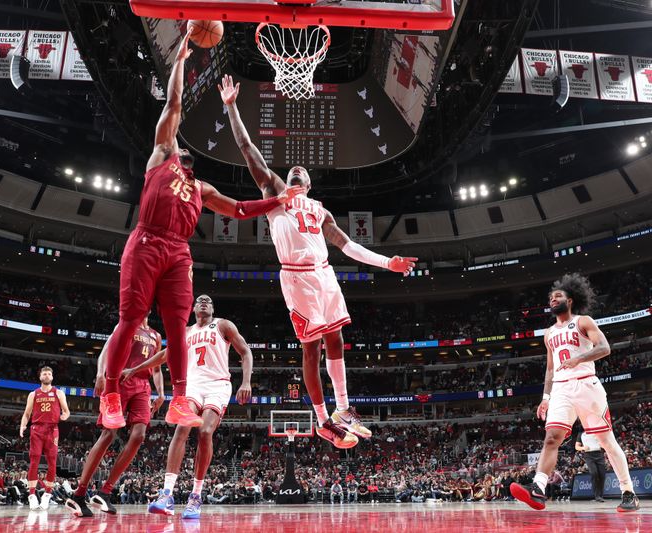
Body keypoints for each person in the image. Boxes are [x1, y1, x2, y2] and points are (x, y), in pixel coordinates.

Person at [97, 30, 302, 433]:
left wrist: (277, 200)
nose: (187, 150)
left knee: (177, 326)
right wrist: (179, 61)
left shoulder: (202, 189)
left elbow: (241, 208)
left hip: (178, 252)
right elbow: (174, 102)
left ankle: (178, 399)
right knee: (133, 316)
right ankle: (110, 394)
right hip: (147, 239)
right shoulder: (162, 155)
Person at [218, 74, 417, 448]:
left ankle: (343, 409)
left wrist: (386, 262)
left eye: (302, 172)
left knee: (337, 337)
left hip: (325, 275)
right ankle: (323, 419)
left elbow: (348, 246)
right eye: (291, 170)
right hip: (297, 278)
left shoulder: (321, 210)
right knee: (311, 347)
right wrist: (231, 106)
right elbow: (247, 149)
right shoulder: (275, 193)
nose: (296, 171)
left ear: (309, 183)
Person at [510, 273, 640, 512]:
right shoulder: (549, 333)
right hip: (561, 388)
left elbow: (604, 348)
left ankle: (628, 491)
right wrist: (545, 398)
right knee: (552, 438)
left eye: (557, 296)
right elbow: (550, 369)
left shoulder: (584, 321)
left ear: (570, 300)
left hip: (587, 385)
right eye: (550, 297)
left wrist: (578, 358)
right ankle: (538, 489)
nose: (552, 299)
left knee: (606, 442)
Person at [126, 295, 253, 519]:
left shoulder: (223, 325)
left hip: (218, 385)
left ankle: (196, 496)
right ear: (194, 308)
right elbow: (164, 355)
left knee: (205, 432)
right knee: (182, 427)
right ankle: (166, 495)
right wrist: (135, 370)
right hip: (192, 385)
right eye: (200, 300)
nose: (204, 301)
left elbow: (245, 352)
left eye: (208, 300)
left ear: (213, 308)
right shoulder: (185, 332)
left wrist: (246, 381)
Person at [65, 317, 164, 518]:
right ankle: (79, 493)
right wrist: (100, 373)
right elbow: (106, 349)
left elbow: (157, 368)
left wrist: (161, 393)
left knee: (139, 436)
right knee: (108, 434)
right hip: (119, 379)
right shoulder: (126, 324)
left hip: (143, 387)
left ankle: (105, 492)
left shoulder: (156, 335)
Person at [20, 366, 71, 510]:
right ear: (40, 376)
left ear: (52, 377)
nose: (47, 375)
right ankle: (31, 495)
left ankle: (47, 495)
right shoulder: (33, 394)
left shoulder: (59, 393)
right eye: (44, 373)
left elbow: (67, 412)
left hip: (52, 429)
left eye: (49, 373)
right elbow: (26, 414)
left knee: (52, 461)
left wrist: (64, 416)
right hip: (36, 429)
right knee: (34, 459)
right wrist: (22, 426)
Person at [576, 429, 607, 502]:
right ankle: (597, 496)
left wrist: (602, 445)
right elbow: (577, 447)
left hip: (599, 454)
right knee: (594, 473)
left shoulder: (597, 430)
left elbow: (604, 441)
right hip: (588, 455)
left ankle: (600, 495)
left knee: (602, 475)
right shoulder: (581, 433)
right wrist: (583, 448)